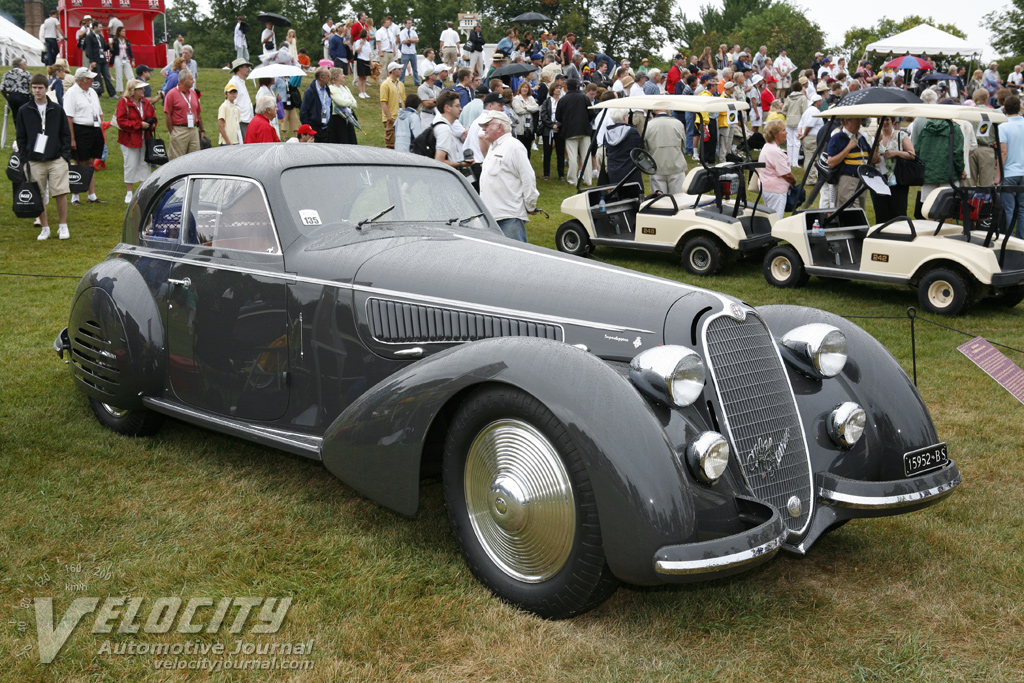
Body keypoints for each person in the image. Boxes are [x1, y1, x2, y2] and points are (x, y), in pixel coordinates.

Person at [16, 73, 72, 240]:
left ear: (46, 89)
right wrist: (24, 157)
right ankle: (45, 227)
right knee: (39, 195)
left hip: (56, 158)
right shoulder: (24, 110)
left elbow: (65, 134)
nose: (37, 91)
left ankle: (63, 226)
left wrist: (64, 156)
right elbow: (21, 136)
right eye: (34, 88)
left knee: (60, 192)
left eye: (40, 88)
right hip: (34, 160)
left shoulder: (57, 109)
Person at [478, 111, 538, 242]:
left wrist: (530, 205)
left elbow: (528, 178)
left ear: (499, 127)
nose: (483, 129)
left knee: (515, 259)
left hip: (509, 218)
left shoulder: (514, 146)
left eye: (487, 125)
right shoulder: (493, 147)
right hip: (491, 218)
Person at [63, 68, 104, 204]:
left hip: (94, 128)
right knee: (79, 162)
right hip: (80, 129)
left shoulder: (92, 92)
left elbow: (99, 112)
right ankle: (76, 195)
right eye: (89, 79)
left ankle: (91, 194)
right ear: (82, 80)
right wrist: (72, 138)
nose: (92, 81)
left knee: (91, 162)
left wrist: (101, 129)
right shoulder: (71, 93)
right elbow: (68, 117)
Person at [115, 79, 156, 203]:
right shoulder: (124, 102)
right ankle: (129, 193)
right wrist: (139, 125)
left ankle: (144, 190)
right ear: (133, 90)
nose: (144, 90)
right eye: (141, 88)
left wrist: (151, 125)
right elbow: (121, 121)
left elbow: (153, 116)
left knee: (145, 164)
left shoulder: (146, 103)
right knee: (131, 164)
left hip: (145, 138)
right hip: (129, 139)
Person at [826, 117, 880, 209]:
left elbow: (873, 160)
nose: (860, 122)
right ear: (847, 122)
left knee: (860, 210)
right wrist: (848, 147)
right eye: (857, 120)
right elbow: (831, 162)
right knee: (852, 211)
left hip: (862, 180)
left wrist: (877, 142)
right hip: (847, 180)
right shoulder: (838, 138)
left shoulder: (861, 138)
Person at [870, 116, 915, 222]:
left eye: (887, 120)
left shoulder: (901, 135)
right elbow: (873, 160)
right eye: (881, 120)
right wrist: (877, 142)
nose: (884, 122)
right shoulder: (875, 138)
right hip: (880, 179)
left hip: (898, 178)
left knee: (898, 211)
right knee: (881, 212)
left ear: (893, 121)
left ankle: (899, 235)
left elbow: (912, 154)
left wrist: (896, 153)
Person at [756, 120, 795, 218]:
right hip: (775, 190)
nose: (786, 132)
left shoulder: (767, 147)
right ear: (775, 134)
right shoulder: (775, 151)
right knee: (776, 218)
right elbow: (786, 174)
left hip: (766, 186)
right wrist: (794, 182)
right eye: (783, 130)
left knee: (770, 216)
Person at [557, 79, 592, 187]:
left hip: (570, 131)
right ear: (577, 86)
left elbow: (558, 117)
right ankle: (588, 180)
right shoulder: (584, 98)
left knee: (572, 157)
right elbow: (591, 113)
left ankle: (572, 180)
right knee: (586, 155)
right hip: (584, 130)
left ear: (566, 87)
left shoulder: (563, 100)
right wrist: (586, 121)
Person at [998, 95, 1024, 238]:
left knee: (1009, 209)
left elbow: (1003, 152)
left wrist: (998, 174)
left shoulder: (1003, 127)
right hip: (1022, 171)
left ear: (1005, 109)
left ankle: (1008, 238)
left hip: (1009, 172)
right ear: (1019, 108)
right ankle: (1021, 239)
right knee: (1022, 209)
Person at [644, 108, 687, 195]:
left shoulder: (648, 125)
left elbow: (645, 148)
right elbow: (683, 146)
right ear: (667, 110)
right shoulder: (678, 123)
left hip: (656, 166)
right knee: (679, 199)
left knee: (660, 202)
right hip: (676, 165)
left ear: (654, 110)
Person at [163, 69, 204, 160]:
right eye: (191, 79)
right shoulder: (172, 94)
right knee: (177, 159)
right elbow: (167, 114)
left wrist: (202, 130)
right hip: (179, 130)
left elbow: (198, 113)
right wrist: (172, 132)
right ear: (183, 81)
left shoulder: (193, 93)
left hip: (193, 129)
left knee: (195, 158)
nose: (193, 81)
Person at [604, 108, 645, 187]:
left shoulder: (607, 133)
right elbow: (640, 148)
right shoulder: (632, 132)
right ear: (624, 117)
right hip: (630, 170)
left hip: (613, 170)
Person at [433, 90, 471, 171]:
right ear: (447, 108)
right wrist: (462, 164)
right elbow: (439, 161)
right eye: (457, 106)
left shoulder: (445, 125)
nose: (460, 109)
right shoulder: (444, 129)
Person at [797, 93, 825, 183]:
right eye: (820, 101)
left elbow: (800, 124)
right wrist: (804, 134)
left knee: (809, 158)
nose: (821, 103)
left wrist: (800, 133)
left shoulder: (807, 111)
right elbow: (810, 124)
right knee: (811, 159)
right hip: (812, 138)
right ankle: (810, 179)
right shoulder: (815, 111)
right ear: (817, 102)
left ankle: (810, 177)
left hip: (807, 137)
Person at [300, 66, 333, 142]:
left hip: (326, 129)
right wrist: (308, 130)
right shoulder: (310, 91)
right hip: (314, 130)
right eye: (328, 76)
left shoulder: (326, 89)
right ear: (321, 77)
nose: (330, 77)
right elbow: (303, 111)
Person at [327, 67, 358, 144]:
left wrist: (349, 103)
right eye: (341, 74)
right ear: (336, 77)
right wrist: (350, 102)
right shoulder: (331, 88)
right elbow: (341, 102)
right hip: (338, 118)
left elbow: (355, 103)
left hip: (348, 117)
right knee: (341, 140)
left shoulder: (345, 88)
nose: (344, 75)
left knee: (351, 140)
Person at [84, 23, 115, 97]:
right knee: (97, 77)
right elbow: (89, 50)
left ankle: (112, 93)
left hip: (103, 59)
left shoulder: (100, 36)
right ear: (95, 27)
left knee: (107, 76)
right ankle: (98, 92)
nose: (101, 28)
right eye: (100, 27)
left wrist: (109, 45)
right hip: (96, 59)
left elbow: (104, 47)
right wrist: (92, 61)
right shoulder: (89, 37)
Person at [781, 83, 808, 168]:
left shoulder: (789, 97)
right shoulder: (803, 98)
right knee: (796, 142)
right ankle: (795, 163)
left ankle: (789, 161)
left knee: (789, 142)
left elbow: (783, 109)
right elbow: (805, 111)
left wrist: (788, 115)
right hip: (798, 122)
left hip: (789, 121)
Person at [379, 62, 406, 149]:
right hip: (391, 117)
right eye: (399, 69)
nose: (401, 71)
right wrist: (389, 118)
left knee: (401, 142)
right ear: (393, 71)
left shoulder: (401, 84)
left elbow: (403, 100)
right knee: (391, 143)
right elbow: (383, 102)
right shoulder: (385, 84)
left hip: (401, 116)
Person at [227, 59, 254, 140]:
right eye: (246, 67)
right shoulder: (233, 82)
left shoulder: (241, 82)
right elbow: (231, 102)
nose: (248, 69)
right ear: (240, 69)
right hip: (241, 120)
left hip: (247, 119)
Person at [511, 81, 539, 158]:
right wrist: (530, 108)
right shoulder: (516, 99)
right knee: (520, 151)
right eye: (523, 87)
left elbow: (536, 108)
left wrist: (526, 107)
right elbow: (518, 111)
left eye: (526, 87)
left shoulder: (531, 98)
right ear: (520, 89)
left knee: (528, 150)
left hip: (529, 128)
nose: (524, 89)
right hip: (520, 128)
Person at [108, 26, 133, 96]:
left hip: (126, 59)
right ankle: (121, 92)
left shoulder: (126, 40)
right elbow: (112, 51)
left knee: (130, 75)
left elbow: (129, 50)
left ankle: (131, 90)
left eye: (124, 31)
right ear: (119, 32)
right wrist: (111, 46)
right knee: (119, 76)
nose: (124, 33)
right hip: (118, 58)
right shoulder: (115, 40)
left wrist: (132, 59)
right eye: (123, 31)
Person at [418, 65, 442, 130]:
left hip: (437, 115)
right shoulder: (422, 88)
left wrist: (432, 100)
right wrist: (438, 100)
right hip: (426, 116)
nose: (437, 75)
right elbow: (426, 104)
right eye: (435, 74)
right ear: (430, 76)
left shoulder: (438, 89)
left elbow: (443, 101)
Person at [398, 18, 420, 86]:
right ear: (405, 24)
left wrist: (409, 39)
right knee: (403, 68)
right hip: (405, 52)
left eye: (411, 23)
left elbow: (417, 40)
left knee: (415, 69)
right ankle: (401, 81)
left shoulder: (413, 32)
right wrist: (412, 40)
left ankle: (417, 82)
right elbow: (404, 41)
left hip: (413, 52)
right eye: (408, 23)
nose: (410, 24)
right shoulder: (402, 32)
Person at [353, 29, 372, 98]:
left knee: (365, 77)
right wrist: (361, 44)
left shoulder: (368, 43)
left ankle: (364, 91)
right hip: (360, 60)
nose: (368, 35)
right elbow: (357, 51)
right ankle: (360, 92)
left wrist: (371, 62)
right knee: (361, 77)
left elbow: (369, 54)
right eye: (367, 33)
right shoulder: (358, 42)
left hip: (366, 60)